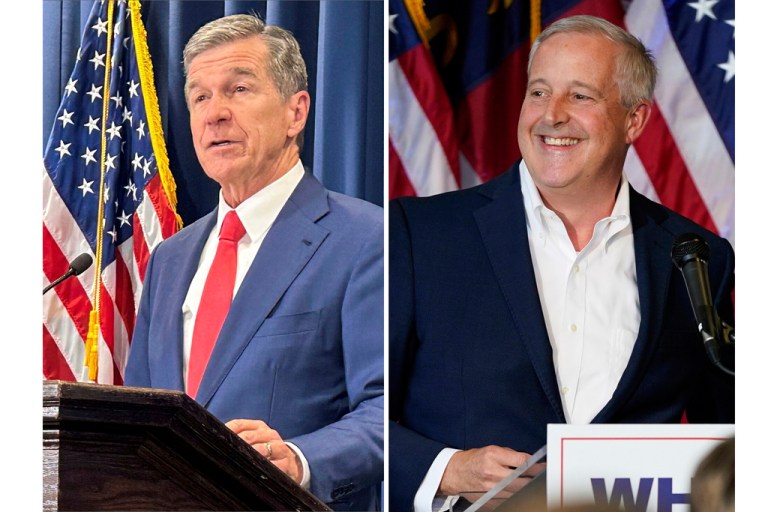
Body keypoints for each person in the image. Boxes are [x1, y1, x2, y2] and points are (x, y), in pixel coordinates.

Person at [389, 14, 735, 512]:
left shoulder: (697, 256)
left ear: (634, 119)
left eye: (580, 96)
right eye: (538, 92)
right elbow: (368, 412)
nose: (551, 115)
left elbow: (724, 446)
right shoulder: (421, 235)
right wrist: (446, 468)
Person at [124, 14, 384, 511]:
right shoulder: (169, 260)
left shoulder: (364, 240)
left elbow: (390, 408)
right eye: (200, 96)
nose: (214, 113)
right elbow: (142, 415)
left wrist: (300, 458)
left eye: (239, 89)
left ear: (296, 112)